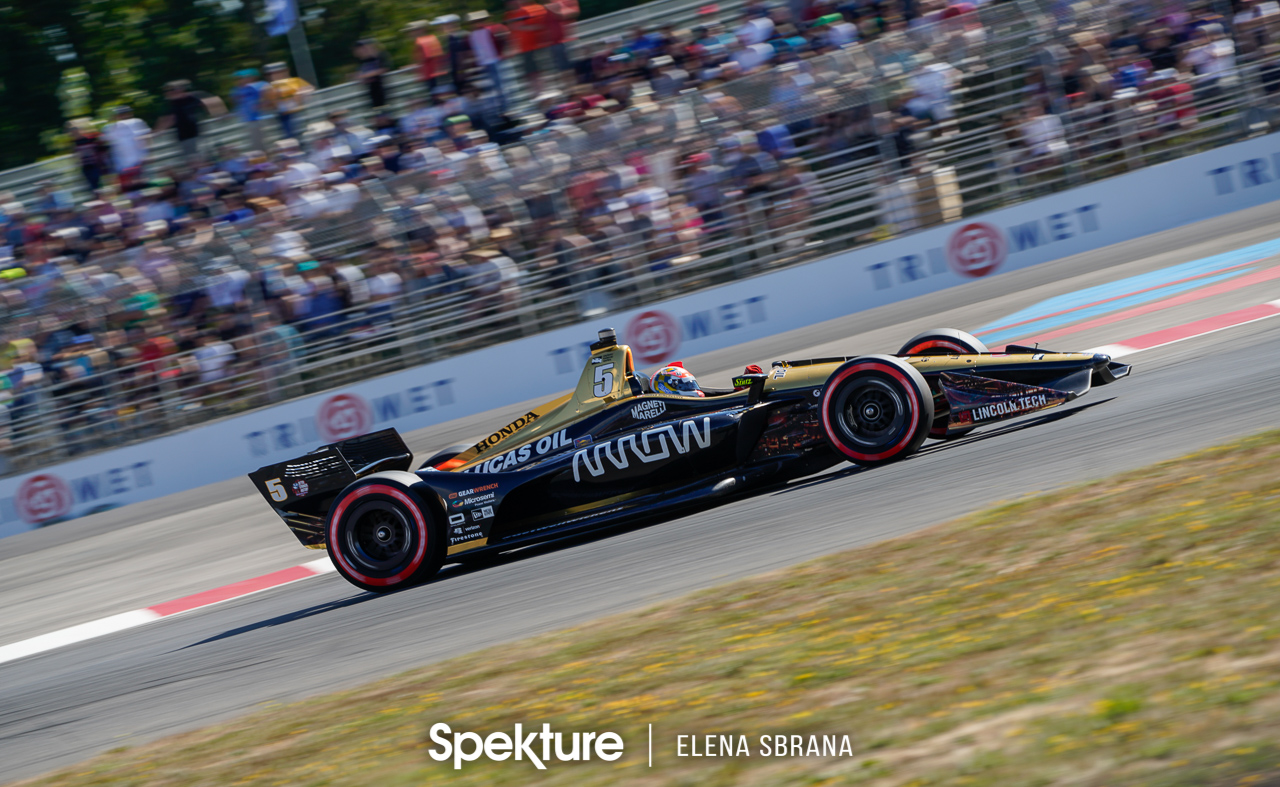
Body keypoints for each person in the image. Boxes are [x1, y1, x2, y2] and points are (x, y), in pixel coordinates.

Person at [154, 79, 226, 162]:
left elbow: (212, 101)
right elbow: (167, 118)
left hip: (198, 134)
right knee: (192, 160)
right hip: (184, 138)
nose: (168, 92)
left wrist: (221, 114)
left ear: (180, 89)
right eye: (166, 91)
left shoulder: (194, 96)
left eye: (171, 90)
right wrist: (157, 131)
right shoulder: (170, 103)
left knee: (206, 158)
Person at [102, 105, 150, 191]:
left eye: (125, 113)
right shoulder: (110, 128)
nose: (123, 116)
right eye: (120, 114)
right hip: (122, 165)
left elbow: (146, 137)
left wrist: (146, 154)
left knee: (144, 188)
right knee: (128, 190)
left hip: (138, 162)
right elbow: (103, 140)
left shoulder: (137, 122)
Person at [266, 62, 313, 140]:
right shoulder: (269, 87)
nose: (276, 75)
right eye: (273, 73)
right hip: (282, 116)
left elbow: (309, 90)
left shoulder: (295, 81)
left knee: (296, 133)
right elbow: (269, 102)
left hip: (296, 113)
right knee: (288, 136)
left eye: (279, 72)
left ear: (285, 71)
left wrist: (299, 96)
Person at [230, 68, 271, 154]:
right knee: (253, 143)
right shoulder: (237, 90)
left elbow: (269, 99)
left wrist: (261, 104)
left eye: (241, 78)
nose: (239, 81)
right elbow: (236, 102)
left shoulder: (261, 85)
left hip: (260, 118)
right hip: (247, 120)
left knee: (263, 142)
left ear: (252, 77)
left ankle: (265, 156)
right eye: (238, 79)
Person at [354, 39, 392, 110]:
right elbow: (360, 74)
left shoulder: (380, 56)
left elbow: (384, 69)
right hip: (371, 93)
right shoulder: (362, 61)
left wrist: (365, 75)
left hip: (382, 90)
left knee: (385, 111)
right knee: (376, 112)